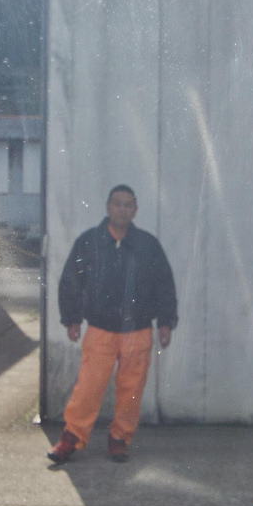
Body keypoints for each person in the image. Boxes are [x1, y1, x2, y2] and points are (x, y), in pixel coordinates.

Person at [48, 185, 177, 464]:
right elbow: (71, 281)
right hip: (100, 330)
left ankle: (119, 438)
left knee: (132, 390)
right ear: (108, 207)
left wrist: (166, 322)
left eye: (128, 205)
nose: (122, 209)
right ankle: (71, 438)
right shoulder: (89, 242)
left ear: (135, 210)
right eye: (117, 203)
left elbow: (164, 284)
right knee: (89, 387)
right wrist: (72, 318)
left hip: (138, 330)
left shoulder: (148, 245)